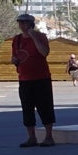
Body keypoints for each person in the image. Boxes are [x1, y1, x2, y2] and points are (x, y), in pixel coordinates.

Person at [11, 13, 56, 148]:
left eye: (23, 23)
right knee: (27, 109)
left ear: (30, 24)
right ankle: (31, 137)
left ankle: (49, 137)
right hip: (24, 79)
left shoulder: (41, 37)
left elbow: (44, 53)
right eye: (20, 23)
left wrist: (34, 36)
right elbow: (14, 57)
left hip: (41, 78)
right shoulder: (17, 40)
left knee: (45, 107)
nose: (21, 25)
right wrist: (14, 61)